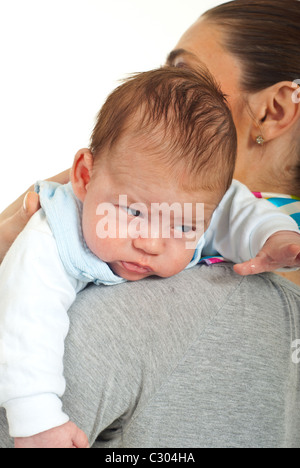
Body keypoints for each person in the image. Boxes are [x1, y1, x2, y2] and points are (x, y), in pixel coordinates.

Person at [0, 0, 300, 448]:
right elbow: (26, 313)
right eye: (135, 212)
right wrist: (36, 415)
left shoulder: (117, 327)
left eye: (188, 72)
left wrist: (273, 236)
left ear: (275, 109)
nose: (152, 243)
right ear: (85, 175)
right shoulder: (54, 235)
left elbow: (235, 209)